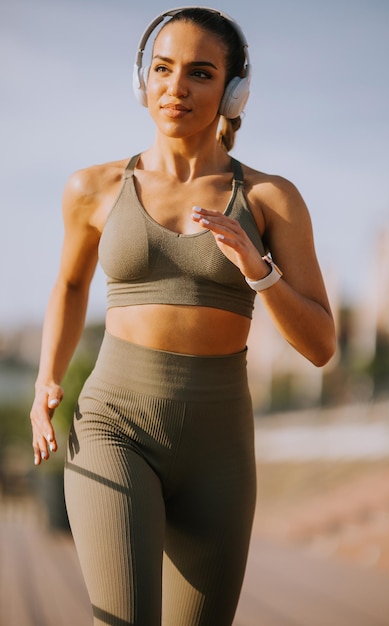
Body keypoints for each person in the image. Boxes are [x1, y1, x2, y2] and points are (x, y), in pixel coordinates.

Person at [29, 6, 336, 626]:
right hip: (115, 424)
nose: (176, 88)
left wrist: (258, 268)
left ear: (233, 90)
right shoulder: (93, 187)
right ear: (142, 80)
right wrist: (44, 382)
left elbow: (322, 344)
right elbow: (69, 283)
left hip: (218, 446)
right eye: (163, 69)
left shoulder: (271, 198)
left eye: (200, 72)